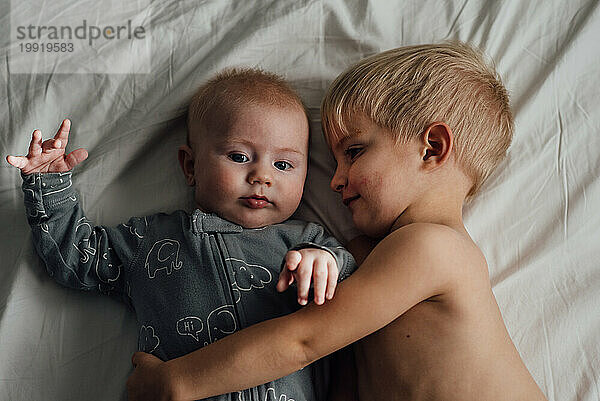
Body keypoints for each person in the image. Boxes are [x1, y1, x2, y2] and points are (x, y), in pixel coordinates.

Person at [125, 42, 548, 401]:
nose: (335, 178)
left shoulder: (434, 247)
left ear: (432, 148)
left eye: (355, 151)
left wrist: (176, 382)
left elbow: (302, 341)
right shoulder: (368, 257)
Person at [6, 68, 357, 401]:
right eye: (239, 156)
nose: (262, 176)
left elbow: (352, 292)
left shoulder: (305, 241)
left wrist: (325, 261)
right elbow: (76, 258)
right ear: (190, 166)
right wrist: (49, 184)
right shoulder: (151, 240)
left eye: (283, 165)